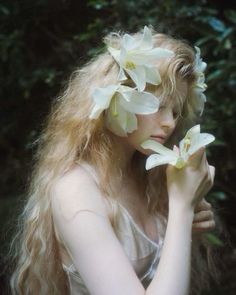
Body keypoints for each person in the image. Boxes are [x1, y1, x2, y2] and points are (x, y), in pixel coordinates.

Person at [10, 26, 217, 295]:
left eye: (176, 111)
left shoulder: (148, 175)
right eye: (157, 105)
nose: (169, 123)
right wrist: (181, 207)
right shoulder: (76, 190)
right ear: (117, 100)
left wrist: (186, 221)